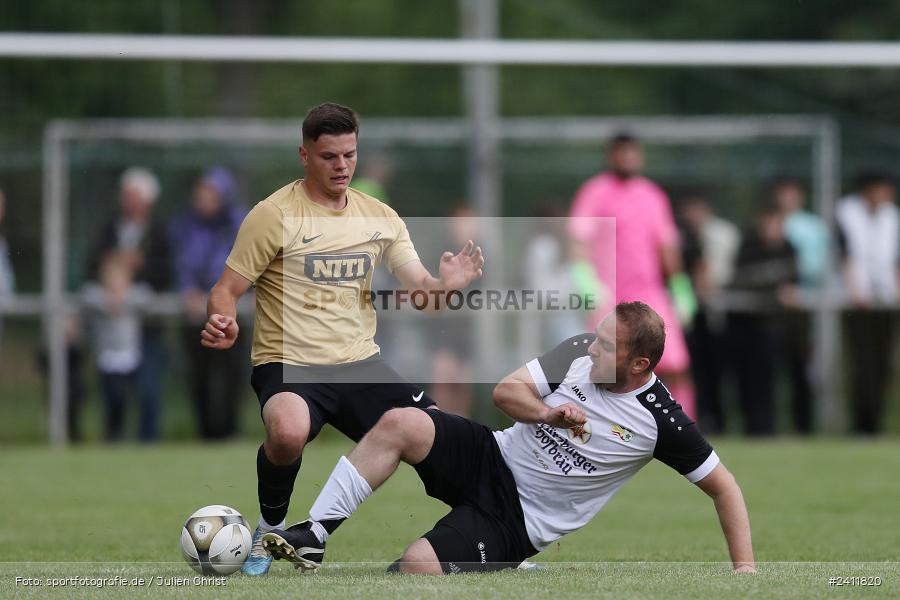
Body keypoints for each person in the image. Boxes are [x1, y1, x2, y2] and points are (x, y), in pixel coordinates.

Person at [261, 301, 755, 575]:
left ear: (640, 364)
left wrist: (745, 572)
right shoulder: (579, 351)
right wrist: (547, 414)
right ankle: (315, 534)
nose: (592, 348)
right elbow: (505, 391)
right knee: (401, 421)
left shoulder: (661, 420)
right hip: (491, 455)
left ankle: (501, 563)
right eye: (597, 336)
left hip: (517, 518)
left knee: (415, 567)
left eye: (607, 346)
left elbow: (726, 489)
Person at [200, 103, 484, 576]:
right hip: (288, 362)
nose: (342, 166)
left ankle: (495, 535)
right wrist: (222, 320)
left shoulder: (381, 217)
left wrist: (446, 286)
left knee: (445, 439)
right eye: (329, 156)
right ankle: (271, 529)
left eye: (349, 155)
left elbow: (424, 296)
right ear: (304, 155)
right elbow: (225, 290)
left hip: (359, 364)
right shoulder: (273, 215)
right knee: (287, 431)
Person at [569, 134, 697, 418]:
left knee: (675, 364)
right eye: (621, 152)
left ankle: (681, 425)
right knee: (605, 369)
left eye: (632, 152)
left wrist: (680, 287)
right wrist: (585, 281)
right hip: (608, 296)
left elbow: (666, 246)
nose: (627, 158)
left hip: (650, 295)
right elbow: (578, 240)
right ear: (610, 156)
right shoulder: (594, 191)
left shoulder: (653, 195)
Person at [87, 167, 172, 442]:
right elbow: (92, 266)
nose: (127, 201)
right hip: (112, 326)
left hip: (147, 325)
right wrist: (112, 269)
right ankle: (114, 439)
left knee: (148, 389)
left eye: (133, 195)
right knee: (114, 391)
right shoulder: (109, 227)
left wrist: (138, 268)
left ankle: (149, 442)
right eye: (125, 195)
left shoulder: (159, 231)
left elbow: (166, 273)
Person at [170, 167, 247, 440]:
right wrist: (187, 290)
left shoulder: (238, 223)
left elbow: (249, 262)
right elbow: (180, 263)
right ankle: (206, 432)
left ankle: (230, 430)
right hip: (196, 312)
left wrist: (231, 295)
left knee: (232, 372)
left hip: (233, 311)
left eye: (210, 193)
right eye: (200, 193)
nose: (202, 199)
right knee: (199, 373)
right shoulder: (185, 225)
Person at [836, 172, 899, 434]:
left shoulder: (891, 216)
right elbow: (845, 255)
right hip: (856, 300)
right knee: (862, 364)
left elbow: (894, 259)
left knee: (883, 364)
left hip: (887, 300)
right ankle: (861, 424)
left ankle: (877, 422)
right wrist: (855, 290)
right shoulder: (845, 213)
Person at [728, 205, 798, 436]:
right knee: (747, 379)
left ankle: (770, 427)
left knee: (771, 379)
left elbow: (793, 283)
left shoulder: (789, 248)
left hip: (774, 327)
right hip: (746, 326)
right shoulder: (748, 248)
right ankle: (750, 426)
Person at [677, 194, 741, 434]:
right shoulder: (679, 234)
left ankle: (715, 419)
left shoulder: (716, 234)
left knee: (713, 370)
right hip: (685, 311)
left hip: (711, 311)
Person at [771, 178, 828, 434]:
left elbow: (816, 266)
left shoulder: (813, 227)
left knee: (802, 366)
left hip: (803, 306)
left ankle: (803, 424)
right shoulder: (771, 222)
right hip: (773, 309)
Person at [81, 252, 152, 442]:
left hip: (130, 358)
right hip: (107, 358)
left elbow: (146, 296)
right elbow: (87, 296)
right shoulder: (98, 298)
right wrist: (108, 301)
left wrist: (122, 300)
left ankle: (137, 435)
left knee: (134, 398)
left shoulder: (133, 297)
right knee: (113, 399)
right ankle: (113, 434)